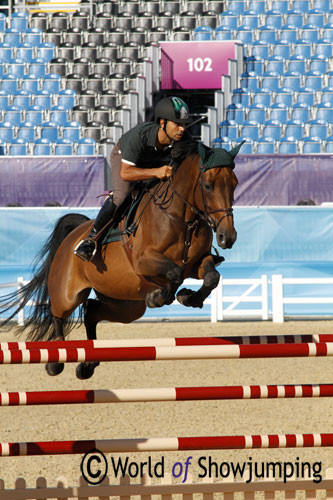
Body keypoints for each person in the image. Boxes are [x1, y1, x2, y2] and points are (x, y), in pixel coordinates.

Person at [74, 96, 192, 262]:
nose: (182, 129)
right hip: (124, 159)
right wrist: (156, 172)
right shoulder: (140, 137)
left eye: (184, 124)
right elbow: (126, 173)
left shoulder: (182, 138)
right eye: (177, 124)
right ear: (162, 123)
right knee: (122, 194)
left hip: (154, 161)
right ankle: (91, 240)